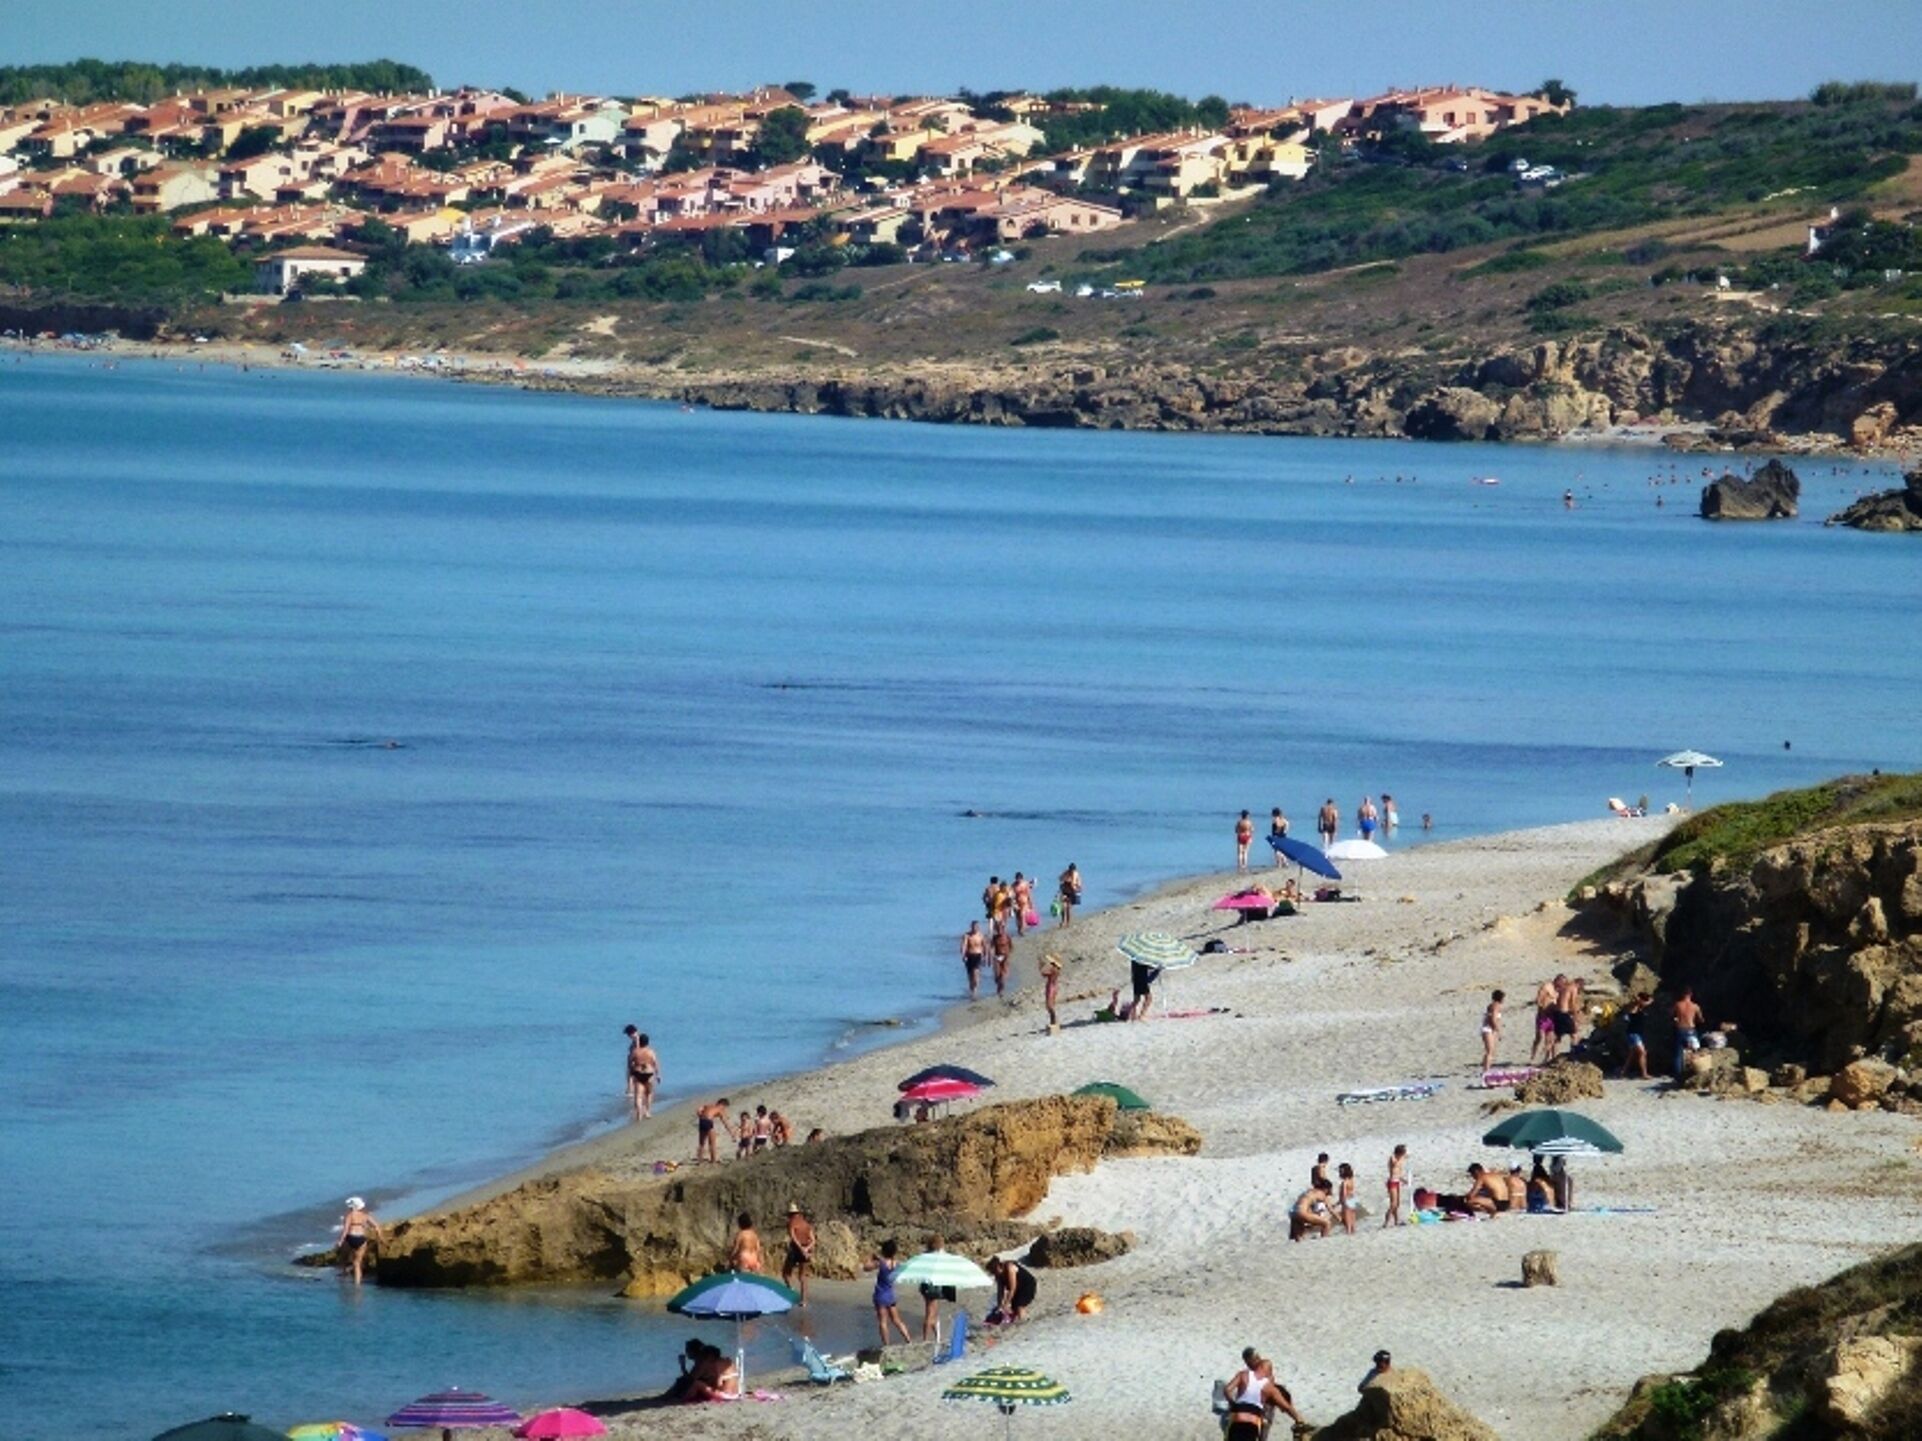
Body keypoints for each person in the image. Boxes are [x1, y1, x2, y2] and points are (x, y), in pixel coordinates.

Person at [1223, 1350, 1306, 1439]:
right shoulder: (1270, 1388)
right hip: (1253, 1421)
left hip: (1238, 1416)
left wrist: (1233, 1404)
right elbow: (1287, 1407)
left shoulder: (1243, 1375)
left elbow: (1227, 1390)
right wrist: (1299, 1419)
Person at [868, 1239, 912, 1346]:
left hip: (880, 1295)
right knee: (897, 1320)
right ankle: (908, 1340)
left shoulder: (881, 1263)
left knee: (883, 1322)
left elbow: (866, 1268)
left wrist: (871, 1258)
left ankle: (886, 1345)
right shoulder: (896, 1264)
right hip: (890, 1295)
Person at [337, 1196, 384, 1285]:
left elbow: (345, 1230)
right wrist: (380, 1237)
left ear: (352, 1206)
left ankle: (344, 1273)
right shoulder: (365, 1216)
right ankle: (357, 1285)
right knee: (357, 1263)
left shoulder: (349, 1215)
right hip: (361, 1239)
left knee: (343, 1257)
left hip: (350, 1238)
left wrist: (340, 1241)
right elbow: (376, 1226)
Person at [919, 1234, 957, 1340]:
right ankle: (926, 1338)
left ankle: (936, 1337)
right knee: (931, 1313)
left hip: (925, 1286)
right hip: (934, 1286)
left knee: (932, 1311)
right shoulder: (940, 1256)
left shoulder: (925, 1256)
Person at [624, 1027, 660, 1121]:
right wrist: (658, 1075)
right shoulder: (651, 1052)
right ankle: (647, 1112)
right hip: (649, 1073)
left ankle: (639, 1113)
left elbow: (630, 1063)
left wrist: (631, 1072)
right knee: (649, 1093)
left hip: (638, 1072)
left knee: (638, 1096)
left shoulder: (635, 1051)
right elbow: (655, 1063)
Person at [990, 1254, 1038, 1323]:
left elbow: (1012, 1288)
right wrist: (999, 1306)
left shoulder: (1010, 1267)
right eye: (992, 1272)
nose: (994, 1274)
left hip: (1028, 1285)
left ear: (998, 1267)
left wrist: (1006, 1304)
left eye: (994, 1271)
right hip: (1018, 1287)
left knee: (1019, 1306)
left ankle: (1024, 1323)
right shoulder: (997, 1275)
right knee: (1014, 1308)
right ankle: (1020, 1321)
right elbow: (1000, 1291)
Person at [783, 1203, 815, 1304]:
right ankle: (804, 1300)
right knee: (802, 1277)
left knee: (786, 1273)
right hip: (806, 1249)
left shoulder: (791, 1223)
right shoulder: (806, 1224)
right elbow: (813, 1240)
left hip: (795, 1249)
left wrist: (801, 1249)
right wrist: (806, 1249)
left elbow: (793, 1238)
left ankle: (791, 1292)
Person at [1672, 987, 1705, 1080]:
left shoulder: (1677, 1004)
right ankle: (1695, 1073)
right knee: (1695, 1051)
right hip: (1691, 1030)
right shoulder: (1695, 1006)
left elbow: (1671, 1015)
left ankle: (1678, 1077)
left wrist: (1676, 1019)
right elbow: (1701, 1019)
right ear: (1691, 994)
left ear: (1682, 994)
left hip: (1680, 1029)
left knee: (1678, 1054)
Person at [1620, 993, 1653, 1080]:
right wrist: (1641, 1000)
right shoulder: (1634, 1007)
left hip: (1637, 1033)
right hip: (1633, 1033)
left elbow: (1648, 1002)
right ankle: (1644, 1074)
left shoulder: (1641, 1008)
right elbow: (1644, 1003)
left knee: (1632, 1054)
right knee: (1642, 1052)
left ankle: (1623, 1072)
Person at [1530, 977, 1561, 1065]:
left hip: (1552, 1017)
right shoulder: (1546, 987)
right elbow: (1538, 1000)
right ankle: (1533, 1057)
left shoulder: (1559, 990)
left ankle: (1546, 1059)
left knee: (1549, 1039)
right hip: (1543, 1016)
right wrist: (1542, 1006)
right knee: (1539, 1037)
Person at [695, 1098, 733, 1164]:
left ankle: (699, 1160)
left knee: (701, 1143)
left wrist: (701, 1116)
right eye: (725, 1107)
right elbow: (725, 1123)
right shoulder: (720, 1109)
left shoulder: (709, 1105)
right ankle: (713, 1160)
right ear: (723, 1104)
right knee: (712, 1143)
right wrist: (731, 1132)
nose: (724, 1109)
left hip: (702, 1121)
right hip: (708, 1122)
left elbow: (698, 1110)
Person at [1383, 1144, 1408, 1228]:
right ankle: (1386, 1222)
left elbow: (1398, 1172)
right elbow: (1394, 1165)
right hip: (1392, 1182)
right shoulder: (1393, 1158)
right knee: (1393, 1204)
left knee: (1397, 1204)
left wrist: (1402, 1179)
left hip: (1397, 1181)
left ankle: (1396, 1221)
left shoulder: (1401, 1158)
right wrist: (1401, 1157)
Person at [961, 921, 987, 999]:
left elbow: (985, 946)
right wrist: (963, 955)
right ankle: (972, 992)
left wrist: (985, 957)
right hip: (969, 956)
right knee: (970, 976)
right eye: (973, 927)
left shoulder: (981, 936)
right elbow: (964, 946)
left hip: (978, 956)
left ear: (978, 927)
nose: (975, 928)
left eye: (976, 927)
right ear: (971, 927)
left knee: (976, 974)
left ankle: (975, 991)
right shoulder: (967, 936)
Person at [1481, 990, 1505, 1071]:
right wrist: (1497, 1030)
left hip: (1490, 1029)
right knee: (1489, 1051)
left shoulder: (1493, 1005)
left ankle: (1486, 1069)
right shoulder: (1496, 1006)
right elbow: (1493, 1019)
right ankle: (1486, 1070)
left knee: (1491, 1051)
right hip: (1488, 1029)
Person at [1040, 952, 1063, 1032]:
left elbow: (1044, 974)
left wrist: (1041, 966)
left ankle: (1053, 1021)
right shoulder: (1057, 969)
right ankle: (1053, 1021)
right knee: (1051, 1004)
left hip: (1051, 986)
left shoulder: (1053, 969)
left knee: (1049, 1006)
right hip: (1054, 986)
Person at [1129, 957, 1157, 1023]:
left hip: (1136, 977)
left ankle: (1133, 1015)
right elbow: (1148, 966)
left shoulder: (1134, 957)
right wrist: (1157, 968)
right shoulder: (1142, 957)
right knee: (1148, 998)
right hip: (1142, 978)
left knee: (1137, 999)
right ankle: (1141, 1016)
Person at [990, 924, 1013, 996]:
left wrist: (1008, 955)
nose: (999, 931)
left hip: (1005, 957)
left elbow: (1011, 947)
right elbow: (991, 947)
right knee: (997, 976)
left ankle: (1001, 991)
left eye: (1000, 929)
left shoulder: (1007, 936)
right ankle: (998, 988)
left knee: (1003, 976)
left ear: (1003, 929)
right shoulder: (994, 937)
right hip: (997, 957)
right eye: (998, 929)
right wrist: (991, 957)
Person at [1057, 863, 1082, 928]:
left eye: (1072, 870)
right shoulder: (1066, 872)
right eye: (1070, 870)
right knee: (1063, 906)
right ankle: (1063, 921)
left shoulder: (1076, 874)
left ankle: (1068, 922)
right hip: (1065, 891)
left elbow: (1078, 884)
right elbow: (1060, 878)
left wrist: (1076, 887)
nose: (1071, 871)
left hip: (1073, 892)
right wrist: (1064, 880)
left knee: (1068, 907)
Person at [1337, 1162, 1358, 1235]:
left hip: (1346, 1202)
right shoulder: (1351, 1180)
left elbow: (1343, 1195)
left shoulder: (1344, 1183)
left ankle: (1348, 1236)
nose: (1339, 1173)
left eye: (1340, 1171)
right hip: (1353, 1200)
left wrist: (1337, 1204)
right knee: (1353, 1223)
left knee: (1347, 1224)